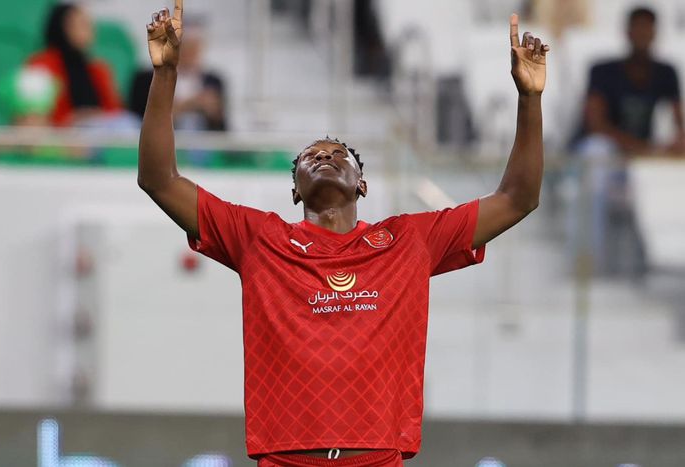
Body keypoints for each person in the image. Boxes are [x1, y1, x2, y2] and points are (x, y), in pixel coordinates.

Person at [137, 1, 548, 465]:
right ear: (295, 190)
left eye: (338, 154)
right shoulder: (258, 238)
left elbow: (518, 198)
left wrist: (529, 100)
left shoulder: (408, 241)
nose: (324, 157)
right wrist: (165, 74)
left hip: (375, 458)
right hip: (287, 459)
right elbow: (159, 180)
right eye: (311, 156)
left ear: (362, 184)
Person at [572, 7, 684, 277]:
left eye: (648, 29)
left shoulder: (665, 72)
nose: (643, 35)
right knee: (596, 155)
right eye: (639, 28)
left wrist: (674, 145)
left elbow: (678, 123)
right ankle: (588, 262)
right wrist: (644, 148)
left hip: (638, 158)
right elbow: (595, 125)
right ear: (628, 33)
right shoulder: (603, 71)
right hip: (604, 155)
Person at [22, 3, 129, 127]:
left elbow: (115, 110)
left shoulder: (98, 68)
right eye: (82, 25)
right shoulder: (42, 65)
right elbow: (36, 115)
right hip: (62, 132)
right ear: (62, 28)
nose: (90, 31)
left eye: (90, 25)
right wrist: (74, 119)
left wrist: (94, 115)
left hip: (100, 130)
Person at [129, 16, 228, 131]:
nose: (190, 54)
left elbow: (221, 125)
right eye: (185, 47)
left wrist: (213, 111)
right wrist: (191, 103)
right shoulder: (145, 79)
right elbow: (139, 120)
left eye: (194, 47)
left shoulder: (213, 81)